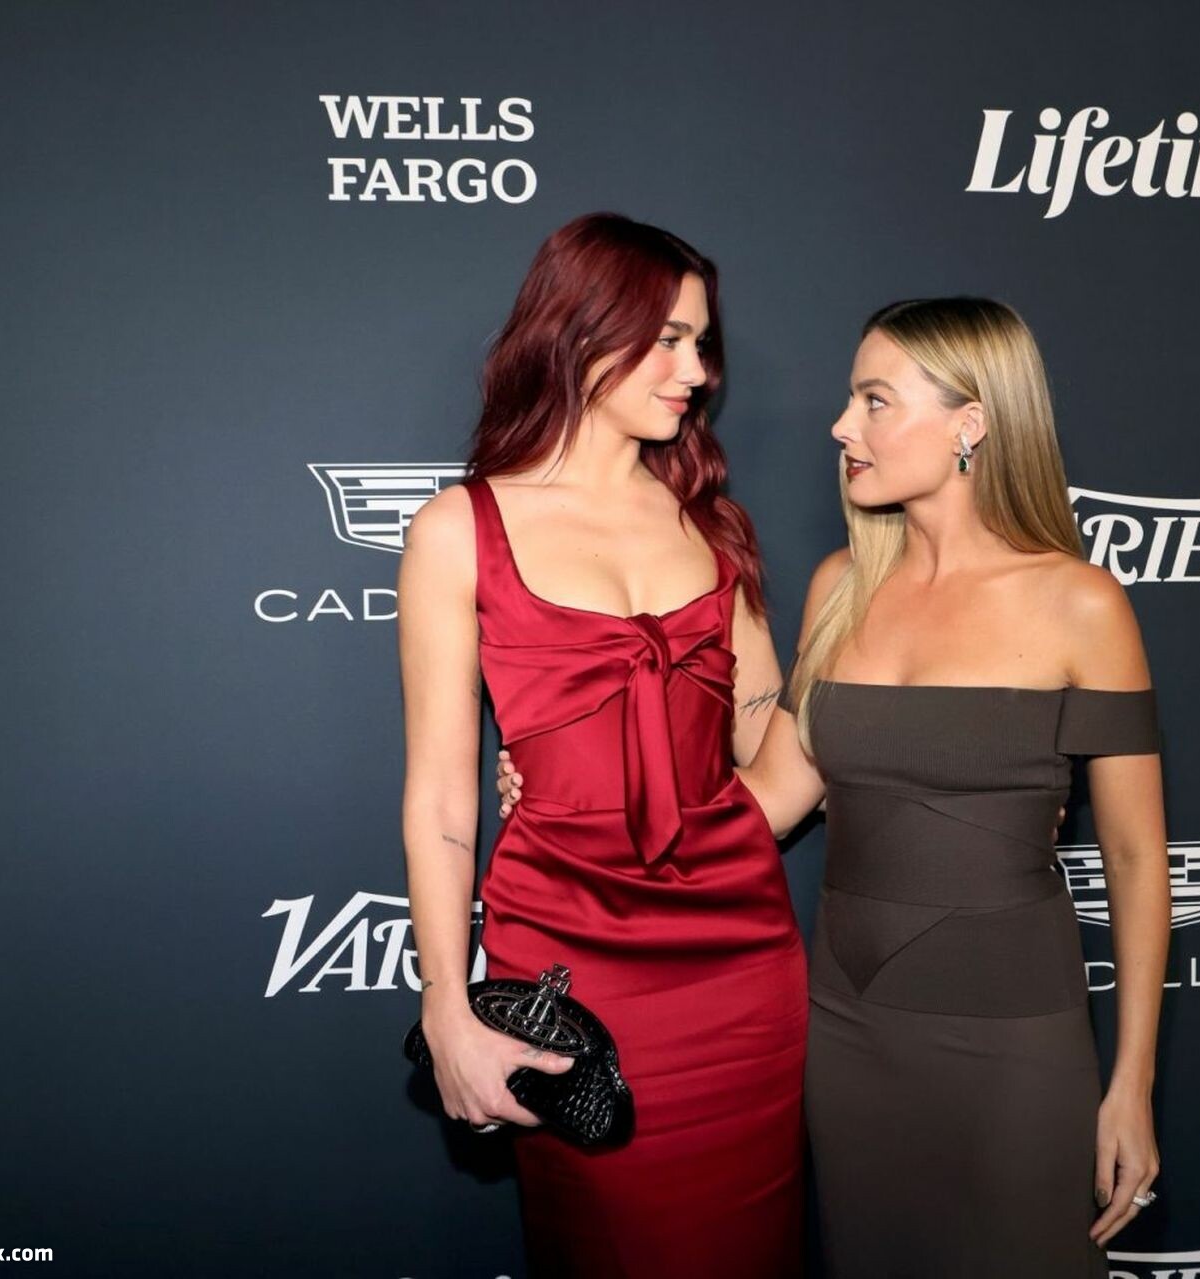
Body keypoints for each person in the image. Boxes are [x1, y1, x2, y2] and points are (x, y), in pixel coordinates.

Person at [500, 295, 1170, 1276]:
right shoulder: (840, 588)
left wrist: (1132, 1084)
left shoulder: (1080, 602)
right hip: (848, 1030)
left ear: (972, 421)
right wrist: (583, 783)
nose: (842, 426)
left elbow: (1138, 859)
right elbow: (765, 799)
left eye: (874, 400)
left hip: (1012, 1039)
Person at [397, 212, 804, 1278]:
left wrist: (878, 630)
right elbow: (441, 798)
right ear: (580, 332)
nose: (697, 372)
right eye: (668, 340)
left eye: (701, 343)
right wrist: (446, 1003)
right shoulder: (459, 530)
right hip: (571, 973)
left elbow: (777, 750)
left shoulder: (711, 524)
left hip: (743, 973)